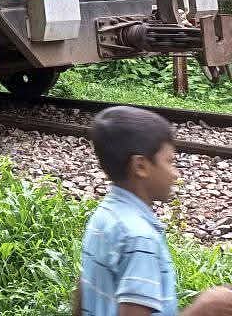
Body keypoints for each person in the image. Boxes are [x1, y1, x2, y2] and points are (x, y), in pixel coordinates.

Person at [77, 106, 232, 316]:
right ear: (140, 166)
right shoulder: (140, 238)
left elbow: (85, 288)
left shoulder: (105, 215)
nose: (176, 174)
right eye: (169, 161)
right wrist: (202, 309)